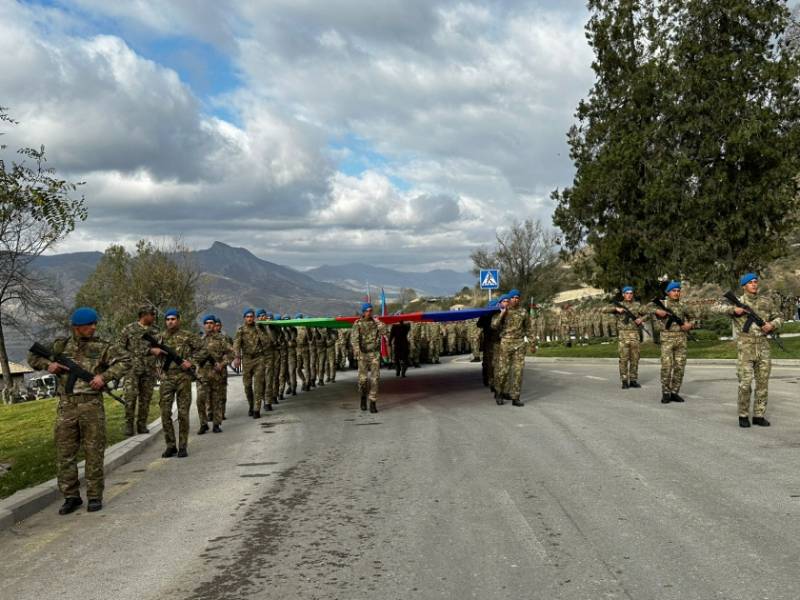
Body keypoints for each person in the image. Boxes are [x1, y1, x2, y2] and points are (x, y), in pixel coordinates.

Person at [27, 307, 130, 514]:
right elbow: (32, 356)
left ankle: (94, 495)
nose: (93, 327)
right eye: (89, 324)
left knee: (94, 452)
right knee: (65, 453)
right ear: (77, 327)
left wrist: (103, 377)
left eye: (95, 324)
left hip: (91, 405)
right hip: (66, 406)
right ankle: (71, 496)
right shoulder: (60, 345)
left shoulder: (103, 347)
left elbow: (126, 361)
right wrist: (48, 365)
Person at [717, 273, 783, 427]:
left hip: (763, 346)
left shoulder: (766, 302)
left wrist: (772, 325)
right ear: (744, 286)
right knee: (745, 384)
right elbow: (715, 307)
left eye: (755, 282)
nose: (754, 284)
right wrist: (734, 310)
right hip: (746, 348)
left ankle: (759, 415)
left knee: (762, 383)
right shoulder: (738, 302)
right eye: (750, 282)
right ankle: (743, 415)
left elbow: (780, 316)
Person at [157, 308, 205, 458]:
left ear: (178, 320)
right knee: (165, 412)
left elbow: (203, 350)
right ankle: (170, 445)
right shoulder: (160, 337)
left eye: (173, 319)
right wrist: (153, 352)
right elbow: (145, 350)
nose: (170, 322)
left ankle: (183, 446)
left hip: (183, 377)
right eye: (168, 319)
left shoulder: (187, 336)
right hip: (166, 378)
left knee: (183, 413)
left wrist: (191, 362)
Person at [651, 281, 699, 404]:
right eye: (674, 291)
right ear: (668, 292)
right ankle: (666, 393)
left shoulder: (683, 305)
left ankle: (674, 392)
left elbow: (694, 318)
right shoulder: (662, 304)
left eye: (678, 291)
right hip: (667, 339)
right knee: (666, 367)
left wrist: (689, 325)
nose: (676, 293)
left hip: (681, 340)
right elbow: (644, 309)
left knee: (680, 367)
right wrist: (657, 311)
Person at [118, 305, 159, 436]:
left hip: (149, 370)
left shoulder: (156, 330)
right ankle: (129, 425)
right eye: (152, 314)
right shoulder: (129, 329)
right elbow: (119, 348)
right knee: (130, 397)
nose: (154, 317)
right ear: (144, 315)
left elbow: (159, 349)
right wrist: (131, 358)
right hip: (132, 370)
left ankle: (142, 425)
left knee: (145, 399)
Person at [491, 290, 536, 406]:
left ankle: (516, 397)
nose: (515, 299)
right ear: (509, 299)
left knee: (518, 371)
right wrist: (502, 314)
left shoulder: (523, 312)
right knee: (503, 371)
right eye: (513, 297)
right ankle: (499, 393)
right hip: (506, 344)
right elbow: (494, 325)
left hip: (519, 344)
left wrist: (532, 343)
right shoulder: (502, 310)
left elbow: (529, 329)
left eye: (517, 297)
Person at [197, 315, 234, 433]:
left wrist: (222, 364)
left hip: (216, 374)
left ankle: (216, 424)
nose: (209, 325)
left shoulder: (221, 339)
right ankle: (203, 424)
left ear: (214, 325)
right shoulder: (199, 340)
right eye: (206, 323)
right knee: (200, 399)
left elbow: (232, 353)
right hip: (202, 374)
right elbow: (191, 355)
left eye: (211, 323)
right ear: (204, 325)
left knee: (216, 399)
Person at [350, 303, 389, 413]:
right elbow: (354, 339)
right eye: (367, 311)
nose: (369, 312)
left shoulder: (376, 323)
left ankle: (372, 402)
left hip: (374, 354)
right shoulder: (357, 323)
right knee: (363, 380)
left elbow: (385, 332)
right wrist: (357, 351)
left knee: (375, 379)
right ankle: (363, 397)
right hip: (363, 354)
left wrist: (379, 322)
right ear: (363, 312)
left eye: (371, 310)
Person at [609, 286, 648, 389]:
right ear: (623, 294)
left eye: (631, 293)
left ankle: (633, 380)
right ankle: (624, 381)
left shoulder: (637, 305)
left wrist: (641, 319)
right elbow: (604, 309)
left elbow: (648, 313)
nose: (629, 295)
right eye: (627, 293)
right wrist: (616, 309)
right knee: (623, 359)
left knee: (635, 358)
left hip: (634, 335)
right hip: (623, 335)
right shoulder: (619, 304)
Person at [233, 308, 266, 418]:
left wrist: (259, 329)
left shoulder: (259, 328)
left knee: (258, 385)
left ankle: (257, 409)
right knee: (247, 386)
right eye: (247, 317)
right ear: (244, 318)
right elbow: (236, 345)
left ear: (254, 318)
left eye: (251, 316)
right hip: (247, 360)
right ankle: (251, 405)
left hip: (259, 358)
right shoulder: (241, 330)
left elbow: (266, 341)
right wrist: (237, 357)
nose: (249, 319)